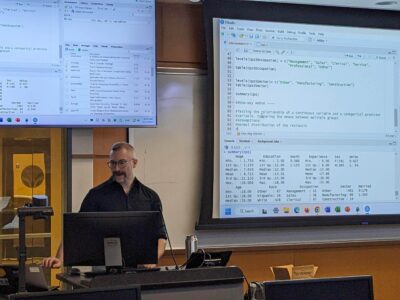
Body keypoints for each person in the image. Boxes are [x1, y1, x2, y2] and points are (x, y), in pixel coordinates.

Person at [42, 142, 167, 268]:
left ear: (134, 163)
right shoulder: (96, 195)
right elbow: (77, 230)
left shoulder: (151, 197)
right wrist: (60, 259)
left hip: (141, 270)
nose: (116, 169)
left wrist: (153, 259)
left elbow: (161, 235)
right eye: (112, 163)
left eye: (122, 162)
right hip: (104, 271)